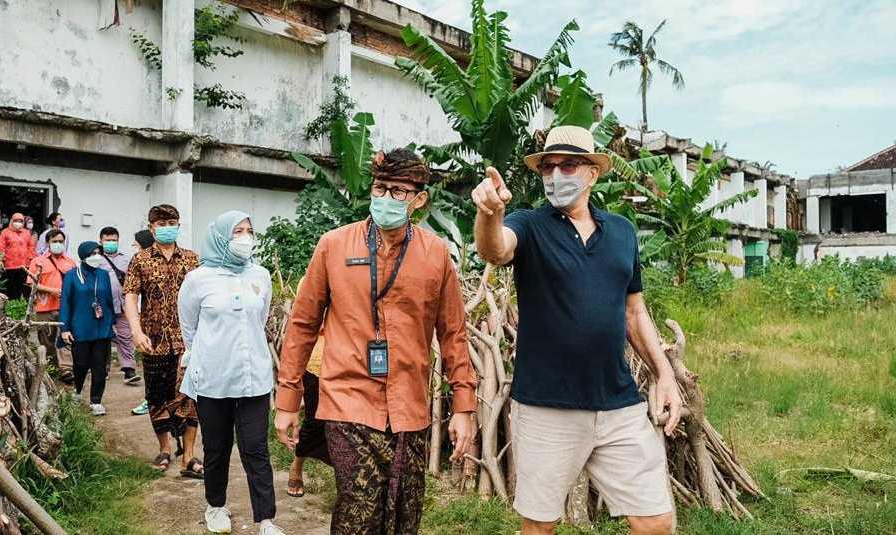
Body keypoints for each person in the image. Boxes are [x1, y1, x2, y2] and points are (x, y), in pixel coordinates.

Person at [471, 125, 682, 535]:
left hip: (618, 404)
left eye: (568, 165)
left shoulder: (621, 231)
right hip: (547, 406)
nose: (555, 175)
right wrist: (489, 214)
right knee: (539, 527)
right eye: (548, 167)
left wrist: (664, 372)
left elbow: (634, 312)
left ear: (592, 173)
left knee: (656, 520)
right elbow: (495, 249)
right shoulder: (529, 224)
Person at [274, 148, 478, 535]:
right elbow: (302, 326)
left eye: (398, 191)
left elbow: (453, 333)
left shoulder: (435, 255)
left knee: (404, 514)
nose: (386, 198)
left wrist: (464, 405)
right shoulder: (334, 245)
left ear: (419, 200)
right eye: (380, 188)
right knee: (359, 508)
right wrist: (288, 400)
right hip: (347, 400)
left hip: (410, 407)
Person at [178, 211, 284, 535]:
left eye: (249, 230)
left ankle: (266, 519)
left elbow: (260, 319)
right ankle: (215, 507)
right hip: (214, 379)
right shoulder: (198, 279)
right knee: (217, 449)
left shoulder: (261, 275)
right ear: (222, 235)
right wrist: (204, 358)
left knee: (256, 449)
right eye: (237, 231)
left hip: (254, 379)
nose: (244, 237)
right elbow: (189, 328)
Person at [123, 204, 201, 475]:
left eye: (173, 222)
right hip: (153, 340)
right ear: (151, 227)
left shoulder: (192, 259)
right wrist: (135, 329)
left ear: (179, 225)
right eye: (162, 223)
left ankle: (189, 456)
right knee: (156, 397)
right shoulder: (141, 260)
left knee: (190, 397)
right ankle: (165, 448)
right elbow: (131, 295)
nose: (168, 227)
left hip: (188, 341)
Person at [59, 241, 116, 416]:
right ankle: (77, 391)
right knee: (81, 364)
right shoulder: (71, 276)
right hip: (80, 327)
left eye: (99, 253)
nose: (96, 256)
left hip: (101, 327)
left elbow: (108, 301)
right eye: (92, 254)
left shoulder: (104, 275)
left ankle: (96, 400)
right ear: (83, 256)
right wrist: (64, 328)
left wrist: (111, 321)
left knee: (100, 365)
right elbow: (65, 303)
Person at [287, 280, 330, 499]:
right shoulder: (310, 279)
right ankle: (297, 464)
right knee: (315, 420)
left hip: (354, 363)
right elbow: (306, 321)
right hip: (318, 362)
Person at [27, 229, 77, 383]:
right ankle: (51, 369)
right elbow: (32, 284)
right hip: (44, 307)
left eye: (61, 241)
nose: (58, 244)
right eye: (55, 241)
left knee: (66, 338)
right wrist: (52, 291)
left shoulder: (70, 262)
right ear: (48, 243)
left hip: (66, 307)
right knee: (46, 341)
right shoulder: (38, 261)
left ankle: (66, 370)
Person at [97, 226, 140, 385]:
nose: (111, 243)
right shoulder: (96, 259)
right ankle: (103, 369)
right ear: (100, 241)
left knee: (126, 336)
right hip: (102, 307)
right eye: (107, 240)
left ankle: (129, 370)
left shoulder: (126, 259)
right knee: (103, 338)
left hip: (123, 305)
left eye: (114, 240)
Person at [129, 229, 156, 416]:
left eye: (136, 244)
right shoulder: (138, 264)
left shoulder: (150, 266)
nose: (133, 247)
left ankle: (152, 400)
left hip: (156, 325)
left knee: (153, 365)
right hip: (144, 322)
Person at [0, 212, 35, 300]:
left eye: (21, 221)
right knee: (10, 288)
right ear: (11, 221)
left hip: (24, 266)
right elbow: (1, 247)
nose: (18, 223)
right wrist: (0, 260)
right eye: (16, 220)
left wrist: (30, 259)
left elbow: (31, 246)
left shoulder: (27, 233)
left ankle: (22, 307)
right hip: (9, 266)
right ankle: (9, 306)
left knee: (23, 288)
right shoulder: (5, 232)